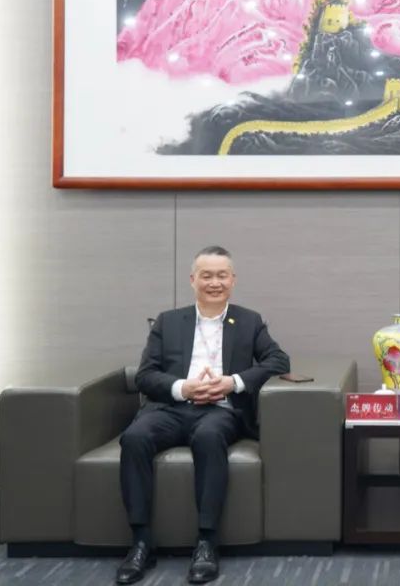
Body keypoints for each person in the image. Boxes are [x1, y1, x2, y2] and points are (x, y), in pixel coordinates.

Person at [116, 246, 289, 584]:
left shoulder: (249, 320)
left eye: (222, 275)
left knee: (209, 437)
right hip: (171, 408)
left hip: (220, 411)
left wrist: (232, 382)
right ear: (192, 280)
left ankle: (207, 543)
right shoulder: (168, 321)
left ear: (233, 280)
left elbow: (279, 361)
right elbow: (146, 375)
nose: (214, 283)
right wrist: (184, 387)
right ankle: (140, 543)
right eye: (206, 276)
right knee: (134, 438)